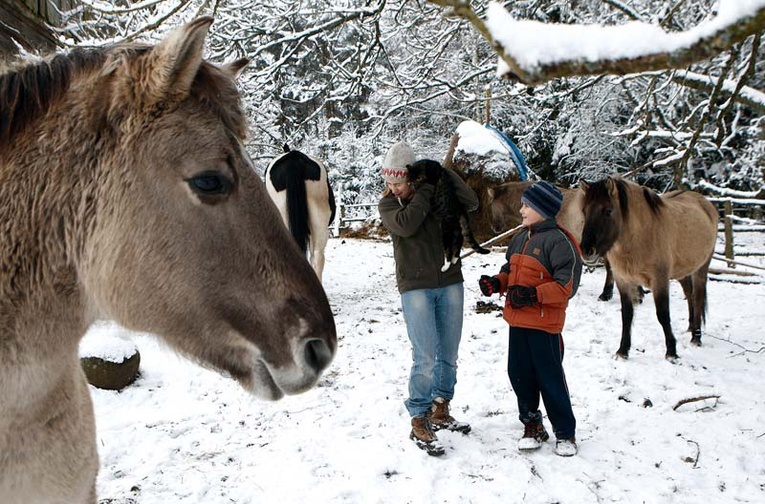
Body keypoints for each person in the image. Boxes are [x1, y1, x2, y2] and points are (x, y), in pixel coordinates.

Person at [378, 140, 478, 457]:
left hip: (450, 281)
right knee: (425, 357)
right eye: (389, 183)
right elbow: (407, 226)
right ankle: (419, 416)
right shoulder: (389, 207)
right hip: (415, 287)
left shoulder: (436, 194)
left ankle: (440, 407)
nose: (394, 188)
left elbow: (472, 201)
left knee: (448, 352)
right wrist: (428, 187)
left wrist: (444, 174)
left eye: (399, 182)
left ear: (412, 177)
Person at [478, 180, 583, 457]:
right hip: (517, 323)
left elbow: (566, 287)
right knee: (520, 375)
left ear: (544, 209)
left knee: (550, 378)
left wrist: (533, 295)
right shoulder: (519, 238)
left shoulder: (561, 242)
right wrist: (496, 283)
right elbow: (509, 272)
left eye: (527, 205)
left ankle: (565, 433)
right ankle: (532, 425)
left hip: (544, 327)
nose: (521, 209)